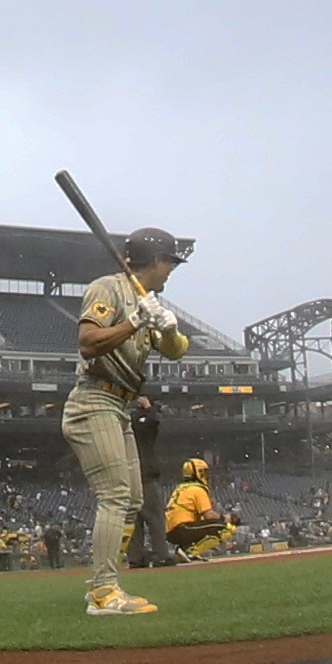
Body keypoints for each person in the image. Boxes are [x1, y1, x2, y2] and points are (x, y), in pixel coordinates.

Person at [63, 228, 194, 614]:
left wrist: (166, 328)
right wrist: (135, 322)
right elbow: (88, 342)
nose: (171, 269)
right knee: (116, 496)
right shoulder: (107, 289)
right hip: (93, 400)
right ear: (155, 261)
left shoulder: (146, 299)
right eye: (169, 261)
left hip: (119, 407)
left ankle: (106, 582)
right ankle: (103, 591)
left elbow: (176, 352)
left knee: (134, 498)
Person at [124, 397, 183, 569]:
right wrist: (149, 407)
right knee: (155, 517)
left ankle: (136, 558)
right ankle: (161, 555)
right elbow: (153, 421)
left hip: (127, 476)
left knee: (135, 520)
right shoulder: (142, 427)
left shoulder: (125, 425)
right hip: (144, 476)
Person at [164, 458, 238, 559]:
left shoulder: (181, 488)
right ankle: (190, 551)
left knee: (203, 526)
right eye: (203, 472)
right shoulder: (197, 489)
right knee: (226, 528)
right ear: (198, 472)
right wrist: (225, 518)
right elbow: (209, 515)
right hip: (183, 528)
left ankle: (185, 550)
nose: (206, 475)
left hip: (171, 532)